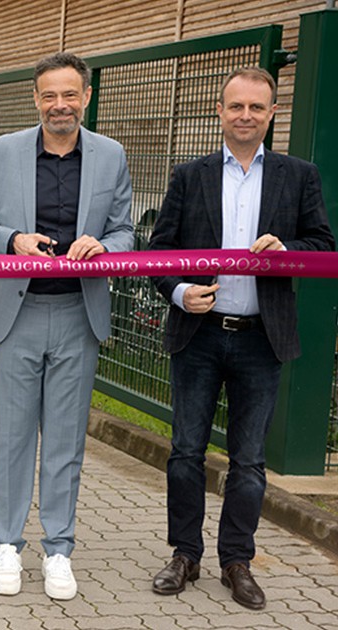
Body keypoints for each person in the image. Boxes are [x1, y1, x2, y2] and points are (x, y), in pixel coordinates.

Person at [147, 67, 333, 610]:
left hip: (261, 338)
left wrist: (288, 250)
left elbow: (322, 244)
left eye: (256, 107)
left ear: (272, 113)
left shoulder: (299, 176)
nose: (245, 116)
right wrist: (180, 291)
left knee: (249, 460)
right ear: (220, 111)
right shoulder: (190, 175)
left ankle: (237, 561)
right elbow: (159, 251)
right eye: (236, 106)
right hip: (199, 334)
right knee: (186, 452)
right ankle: (185, 554)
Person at [0, 52, 133, 601]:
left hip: (79, 314)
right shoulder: (1, 152)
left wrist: (103, 246)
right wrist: (10, 239)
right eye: (49, 95)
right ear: (35, 99)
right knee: (12, 438)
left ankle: (58, 549)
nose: (60, 105)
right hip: (18, 313)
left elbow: (126, 231)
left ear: (86, 97)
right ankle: (7, 544)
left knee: (65, 440)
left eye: (70, 94)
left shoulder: (111, 155)